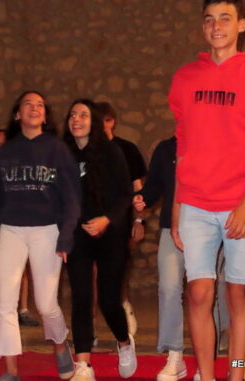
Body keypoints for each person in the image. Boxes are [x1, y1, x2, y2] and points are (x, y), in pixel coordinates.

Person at [169, 0, 245, 381]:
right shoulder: (185, 78)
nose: (215, 26)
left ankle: (236, 376)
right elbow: (182, 145)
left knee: (239, 296)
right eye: (208, 18)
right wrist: (177, 207)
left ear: (241, 25)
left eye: (224, 18)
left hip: (241, 203)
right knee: (198, 293)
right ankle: (205, 375)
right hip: (195, 203)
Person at [0, 90, 81, 381]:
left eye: (40, 105)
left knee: (46, 304)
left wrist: (66, 236)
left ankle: (60, 343)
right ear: (18, 114)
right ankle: (11, 370)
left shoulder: (57, 149)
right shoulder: (5, 152)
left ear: (45, 116)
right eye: (28, 104)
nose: (34, 108)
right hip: (11, 229)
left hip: (47, 230)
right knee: (6, 303)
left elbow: (72, 198)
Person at [64, 99, 136, 381]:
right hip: (78, 235)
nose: (76, 119)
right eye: (72, 114)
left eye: (83, 114)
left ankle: (124, 342)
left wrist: (106, 220)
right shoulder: (63, 154)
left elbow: (125, 195)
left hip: (111, 234)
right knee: (81, 297)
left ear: (93, 121)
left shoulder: (111, 152)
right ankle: (83, 365)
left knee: (108, 300)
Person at [133, 136, 188, 381]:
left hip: (208, 227)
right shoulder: (166, 149)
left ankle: (212, 358)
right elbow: (155, 185)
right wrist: (143, 198)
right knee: (168, 288)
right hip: (171, 227)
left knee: (208, 294)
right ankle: (175, 355)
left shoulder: (212, 140)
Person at [0, 129, 39, 328]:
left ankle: (23, 311)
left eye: (0, 144)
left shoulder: (20, 169)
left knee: (23, 268)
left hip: (19, 223)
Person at [97, 101, 147, 336]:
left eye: (104, 121)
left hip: (121, 221)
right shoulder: (85, 150)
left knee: (118, 271)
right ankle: (90, 327)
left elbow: (138, 189)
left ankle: (124, 306)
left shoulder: (127, 150)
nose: (100, 126)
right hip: (91, 221)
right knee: (92, 274)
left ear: (112, 122)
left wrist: (139, 221)